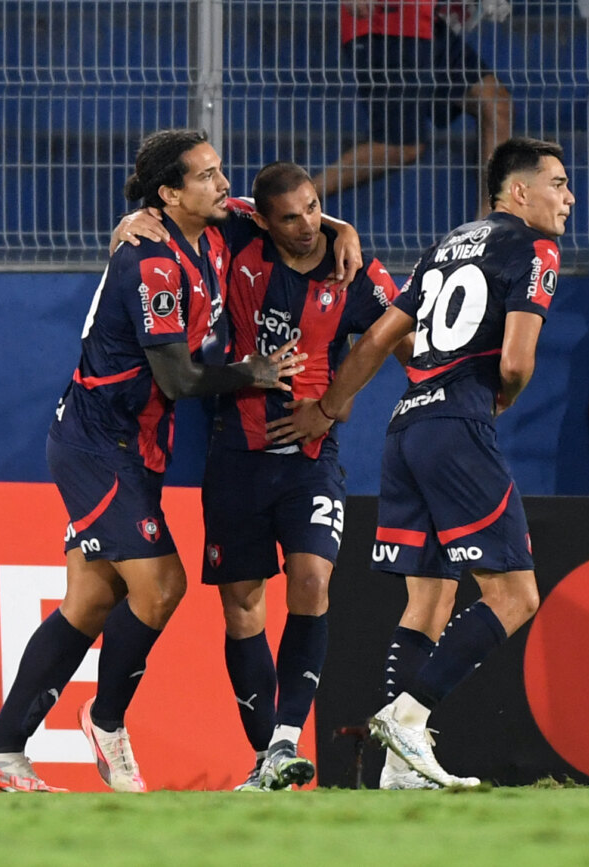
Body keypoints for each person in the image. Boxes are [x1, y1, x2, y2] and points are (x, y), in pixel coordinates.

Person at [0, 128, 304, 794]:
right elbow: (178, 380)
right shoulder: (149, 260)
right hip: (96, 443)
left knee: (89, 602)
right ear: (168, 193)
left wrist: (342, 232)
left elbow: (288, 212)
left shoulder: (214, 230)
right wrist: (253, 371)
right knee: (163, 585)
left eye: (219, 170)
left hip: (136, 446)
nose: (222, 183)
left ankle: (1, 747)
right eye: (205, 176)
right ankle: (107, 718)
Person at [269, 136, 573, 789]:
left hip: (405, 426)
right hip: (459, 424)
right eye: (558, 183)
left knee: (429, 599)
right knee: (516, 595)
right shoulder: (537, 248)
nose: (569, 197)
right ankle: (408, 717)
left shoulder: (445, 246)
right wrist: (497, 400)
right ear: (518, 192)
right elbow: (517, 361)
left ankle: (398, 771)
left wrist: (328, 405)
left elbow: (380, 336)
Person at [197, 163, 406, 792]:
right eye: (290, 216)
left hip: (312, 459)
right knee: (242, 608)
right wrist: (134, 221)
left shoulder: (354, 273)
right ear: (262, 219)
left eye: (317, 208)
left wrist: (331, 407)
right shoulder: (238, 237)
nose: (308, 224)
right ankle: (270, 758)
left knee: (312, 580)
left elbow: (399, 338)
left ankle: (286, 733)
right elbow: (191, 206)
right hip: (234, 453)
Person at [312, 0, 513, 219]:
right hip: (386, 21)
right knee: (400, 146)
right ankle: (296, 201)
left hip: (426, 22)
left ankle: (488, 227)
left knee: (496, 104)